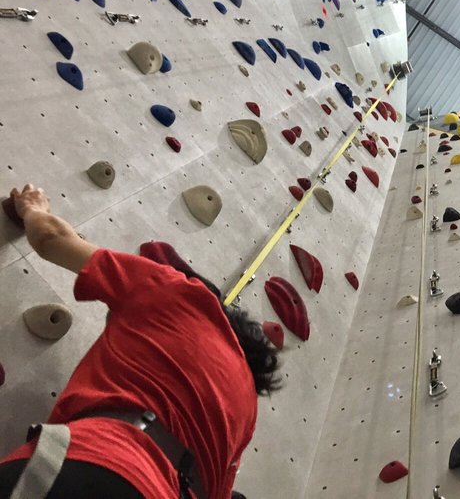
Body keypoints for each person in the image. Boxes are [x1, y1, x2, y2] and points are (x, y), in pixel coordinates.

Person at [0, 184, 281, 498]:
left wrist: (33, 207)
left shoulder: (182, 293)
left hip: (106, 465)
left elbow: (51, 238)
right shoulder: (246, 410)